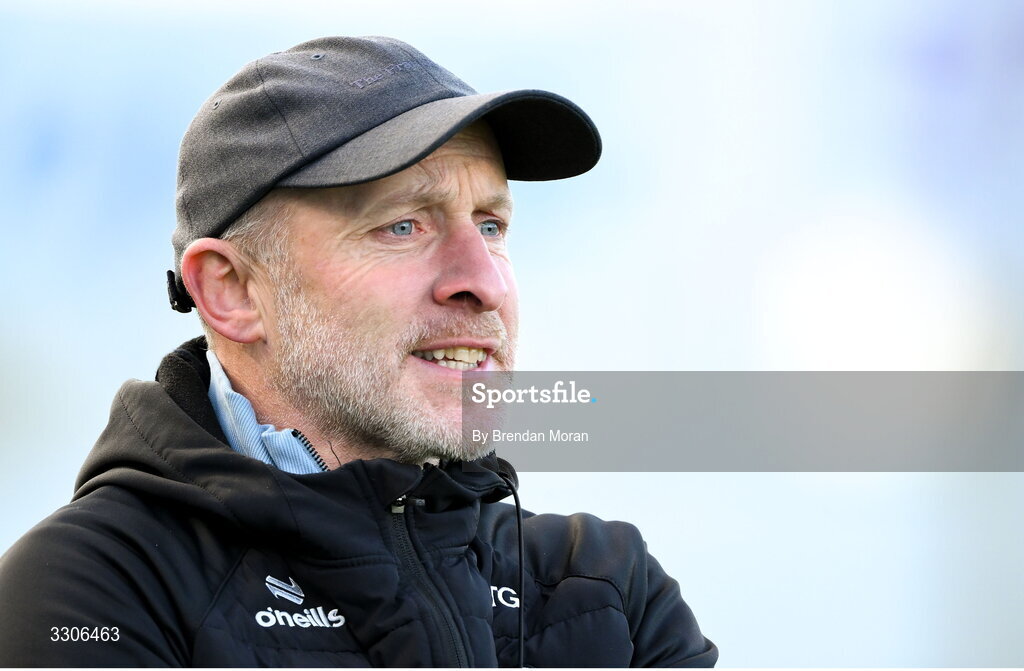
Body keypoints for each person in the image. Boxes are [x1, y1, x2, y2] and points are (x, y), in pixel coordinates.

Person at [0, 36, 717, 667]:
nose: (485, 282)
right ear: (233, 291)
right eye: (403, 225)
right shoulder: (90, 590)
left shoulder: (602, 587)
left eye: (492, 225)